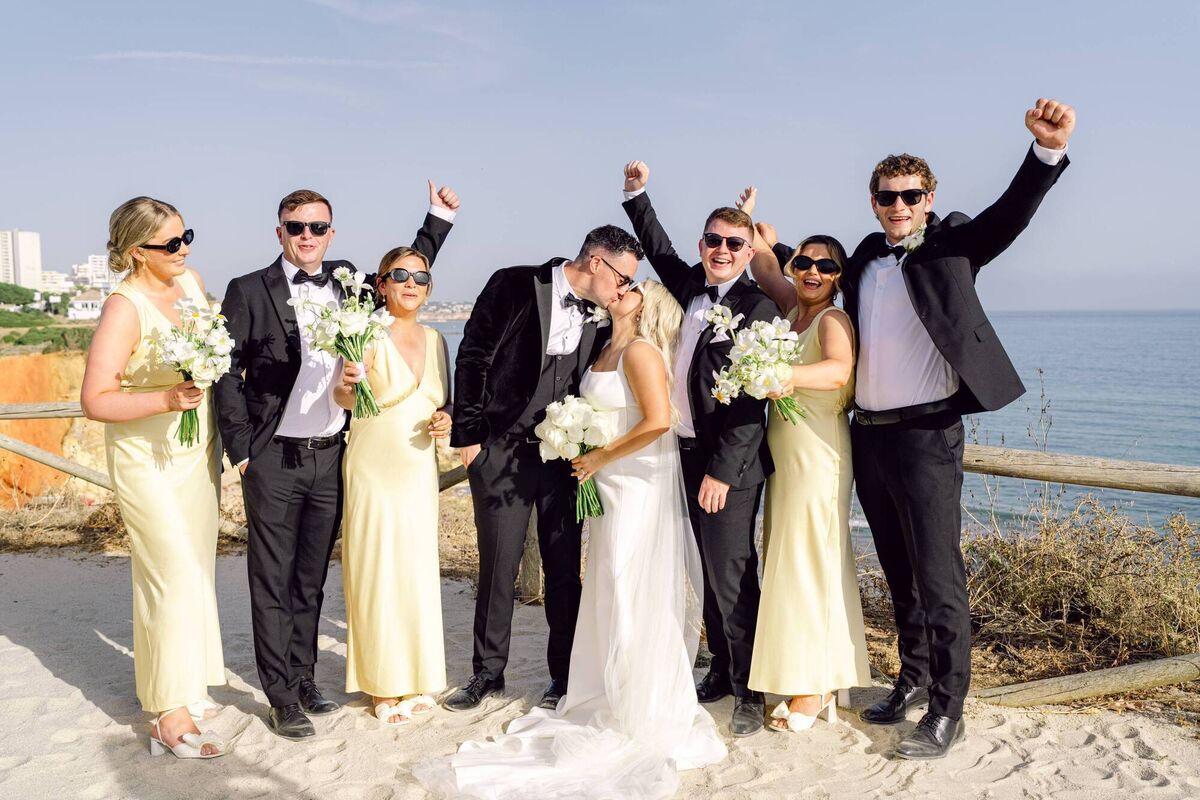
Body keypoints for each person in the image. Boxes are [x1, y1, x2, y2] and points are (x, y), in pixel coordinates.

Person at [768, 98, 1075, 758]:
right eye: (887, 197)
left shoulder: (954, 243)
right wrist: (771, 248)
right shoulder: (865, 258)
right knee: (898, 568)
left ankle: (948, 707)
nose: (898, 206)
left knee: (940, 576)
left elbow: (1009, 216)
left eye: (910, 196)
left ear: (929, 198)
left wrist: (1044, 152)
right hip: (869, 435)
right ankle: (912, 679)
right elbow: (812, 269)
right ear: (874, 201)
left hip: (929, 434)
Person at [417, 280, 727, 799]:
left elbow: (657, 421)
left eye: (632, 289)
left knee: (630, 585)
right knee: (607, 582)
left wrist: (601, 456)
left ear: (645, 304)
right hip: (604, 480)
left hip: (634, 482)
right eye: (621, 283)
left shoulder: (643, 350)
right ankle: (598, 686)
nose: (620, 291)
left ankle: (638, 699)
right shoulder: (603, 343)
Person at [214, 181, 459, 740]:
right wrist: (242, 449)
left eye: (317, 227)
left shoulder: (349, 283)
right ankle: (279, 696)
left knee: (309, 580)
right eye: (296, 227)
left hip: (333, 457)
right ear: (280, 232)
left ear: (330, 233)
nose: (307, 236)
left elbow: (403, 277)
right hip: (272, 456)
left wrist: (436, 220)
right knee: (271, 580)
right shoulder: (249, 290)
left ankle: (303, 679)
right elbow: (226, 371)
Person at [445, 225, 640, 713]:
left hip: (564, 458)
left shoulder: (602, 314)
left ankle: (563, 676)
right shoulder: (513, 283)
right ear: (596, 262)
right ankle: (486, 674)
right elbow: (472, 358)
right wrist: (469, 437)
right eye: (622, 278)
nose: (623, 290)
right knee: (498, 567)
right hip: (501, 451)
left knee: (563, 570)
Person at [620, 160, 779, 737]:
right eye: (713, 240)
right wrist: (638, 195)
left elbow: (749, 407)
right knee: (706, 571)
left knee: (733, 573)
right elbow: (659, 251)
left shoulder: (760, 309)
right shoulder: (691, 286)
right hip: (681, 455)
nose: (721, 249)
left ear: (747, 251)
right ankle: (720, 670)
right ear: (703, 243)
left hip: (725, 466)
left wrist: (721, 472)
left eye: (734, 243)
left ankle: (749, 689)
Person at [81, 197, 226, 759]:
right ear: (136, 252)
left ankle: (186, 682)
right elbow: (95, 399)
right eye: (169, 243)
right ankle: (168, 713)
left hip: (194, 453)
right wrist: (166, 396)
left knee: (194, 571)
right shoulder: (124, 307)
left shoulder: (192, 282)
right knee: (166, 574)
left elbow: (209, 357)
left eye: (186, 235)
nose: (183, 249)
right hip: (147, 461)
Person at [735, 202, 872, 732]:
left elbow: (839, 370)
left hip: (819, 455)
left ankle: (817, 686)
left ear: (838, 278)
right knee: (786, 562)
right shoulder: (792, 309)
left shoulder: (834, 319)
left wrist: (784, 376)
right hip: (785, 457)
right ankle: (800, 678)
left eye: (826, 265)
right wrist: (751, 227)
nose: (813, 271)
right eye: (805, 262)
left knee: (813, 562)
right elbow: (764, 266)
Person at [335, 247, 452, 726]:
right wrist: (345, 382)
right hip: (374, 466)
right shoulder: (364, 333)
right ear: (380, 284)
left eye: (420, 277)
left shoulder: (438, 339)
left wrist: (446, 420)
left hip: (418, 469)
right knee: (377, 569)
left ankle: (419, 675)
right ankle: (384, 685)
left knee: (416, 569)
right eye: (399, 275)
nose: (411, 283)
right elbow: (344, 396)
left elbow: (443, 403)